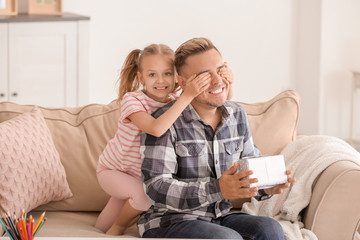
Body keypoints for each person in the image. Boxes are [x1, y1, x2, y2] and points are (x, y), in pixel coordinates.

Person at [139, 37, 296, 239]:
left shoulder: (236, 114)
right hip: (170, 221)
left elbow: (248, 165)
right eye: (205, 75)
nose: (217, 80)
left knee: (270, 229)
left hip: (218, 216)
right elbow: (156, 187)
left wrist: (267, 186)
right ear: (183, 82)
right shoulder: (165, 121)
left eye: (220, 70)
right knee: (227, 238)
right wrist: (217, 188)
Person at [95, 43, 234, 236]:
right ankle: (118, 228)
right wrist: (187, 95)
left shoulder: (175, 100)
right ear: (141, 77)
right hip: (113, 170)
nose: (161, 81)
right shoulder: (133, 100)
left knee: (100, 228)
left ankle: (99, 232)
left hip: (139, 174)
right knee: (143, 198)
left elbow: (217, 106)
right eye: (152, 75)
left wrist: (226, 83)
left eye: (167, 74)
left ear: (177, 78)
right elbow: (156, 129)